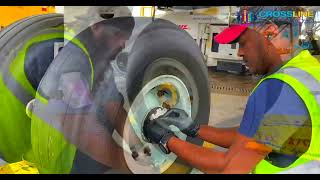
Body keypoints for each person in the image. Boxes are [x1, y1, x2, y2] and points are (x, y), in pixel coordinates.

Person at [143, 12, 320, 173]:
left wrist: (166, 139)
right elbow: (252, 136)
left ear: (270, 33)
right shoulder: (307, 71)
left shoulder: (277, 89)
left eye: (243, 43)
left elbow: (229, 167)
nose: (240, 53)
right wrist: (193, 129)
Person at [30, 7, 139, 174]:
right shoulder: (75, 60)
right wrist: (128, 163)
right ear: (96, 26)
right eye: (117, 35)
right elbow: (81, 130)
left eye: (125, 38)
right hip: (63, 163)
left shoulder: (98, 58)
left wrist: (138, 145)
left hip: (86, 160)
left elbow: (114, 108)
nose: (122, 44)